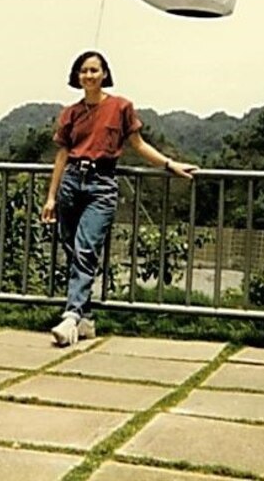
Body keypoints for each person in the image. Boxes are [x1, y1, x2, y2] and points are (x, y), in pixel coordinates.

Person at [40, 50, 198, 347]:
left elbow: (138, 144)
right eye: (83, 71)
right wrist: (51, 197)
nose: (89, 75)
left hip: (101, 184)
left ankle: (71, 316)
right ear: (77, 76)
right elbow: (61, 155)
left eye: (94, 70)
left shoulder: (121, 107)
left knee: (85, 248)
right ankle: (85, 320)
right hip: (72, 182)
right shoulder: (70, 113)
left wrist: (169, 164)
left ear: (104, 74)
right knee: (73, 250)